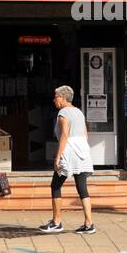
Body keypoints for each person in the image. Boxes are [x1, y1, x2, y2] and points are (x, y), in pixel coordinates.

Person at [37, 85, 96, 235]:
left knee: (55, 185)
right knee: (82, 187)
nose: (54, 100)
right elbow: (85, 133)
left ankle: (57, 222)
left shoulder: (63, 113)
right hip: (82, 151)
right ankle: (89, 223)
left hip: (69, 152)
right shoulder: (79, 112)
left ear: (63, 98)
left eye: (56, 97)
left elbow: (64, 135)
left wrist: (57, 156)